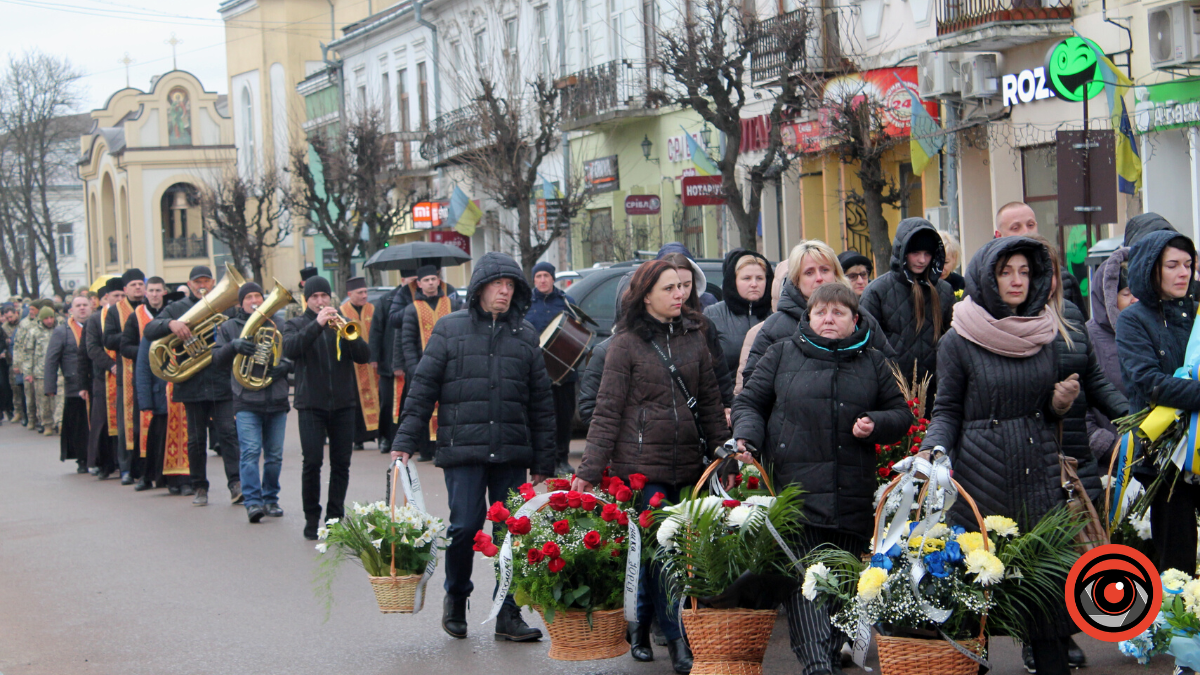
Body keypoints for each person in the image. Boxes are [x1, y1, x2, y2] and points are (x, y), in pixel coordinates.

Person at [921, 236, 1081, 674]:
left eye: (1025, 272)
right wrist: (932, 452)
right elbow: (947, 409)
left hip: (1038, 473)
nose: (1016, 281)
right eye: (1006, 271)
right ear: (987, 277)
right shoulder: (959, 339)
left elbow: (1041, 410)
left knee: (1046, 592)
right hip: (981, 478)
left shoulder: (1044, 333)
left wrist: (1057, 405)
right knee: (977, 589)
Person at [733, 282, 910, 675]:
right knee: (805, 584)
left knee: (840, 588)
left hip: (851, 496)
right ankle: (817, 665)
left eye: (839, 313)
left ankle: (826, 657)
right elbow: (750, 402)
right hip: (797, 495)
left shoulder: (873, 362)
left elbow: (901, 414)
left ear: (855, 320)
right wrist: (746, 437)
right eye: (821, 312)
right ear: (808, 318)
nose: (829, 319)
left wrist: (876, 423)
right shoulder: (781, 354)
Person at [572, 259, 729, 674]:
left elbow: (710, 402)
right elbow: (605, 412)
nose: (681, 294)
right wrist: (588, 473)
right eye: (670, 288)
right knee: (660, 555)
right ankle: (677, 640)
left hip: (689, 466)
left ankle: (648, 628)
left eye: (682, 286)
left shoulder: (696, 335)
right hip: (643, 468)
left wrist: (722, 453)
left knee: (684, 553)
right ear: (646, 296)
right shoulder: (624, 344)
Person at [391, 252, 553, 643]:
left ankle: (507, 613)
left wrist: (544, 460)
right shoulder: (449, 329)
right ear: (480, 287)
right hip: (463, 449)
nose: (504, 291)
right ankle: (456, 599)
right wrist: (405, 441)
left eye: (511, 285)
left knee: (509, 534)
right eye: (498, 284)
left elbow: (542, 404)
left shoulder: (525, 335)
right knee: (464, 526)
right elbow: (423, 389)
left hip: (511, 452)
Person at [1117, 229, 1200, 577]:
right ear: (1152, 269)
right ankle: (1176, 628)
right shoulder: (1133, 320)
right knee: (1177, 561)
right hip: (1164, 457)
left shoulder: (1197, 313)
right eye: (1172, 265)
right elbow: (1148, 382)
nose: (1184, 273)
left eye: (1188, 264)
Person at [142, 266, 241, 507]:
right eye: (197, 282)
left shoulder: (226, 308)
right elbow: (149, 330)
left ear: (214, 282)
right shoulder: (176, 308)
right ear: (189, 284)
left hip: (221, 382)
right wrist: (170, 325)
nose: (202, 285)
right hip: (191, 385)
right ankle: (199, 486)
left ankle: (236, 484)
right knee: (195, 440)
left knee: (228, 434)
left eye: (206, 281)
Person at [283, 275, 371, 539]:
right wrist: (317, 325)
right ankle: (312, 518)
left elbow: (364, 356)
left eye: (324, 296)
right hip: (310, 404)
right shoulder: (295, 324)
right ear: (306, 300)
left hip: (344, 404)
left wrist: (349, 334)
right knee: (312, 462)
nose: (320, 301)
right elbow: (291, 349)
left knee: (341, 464)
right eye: (315, 297)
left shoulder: (341, 324)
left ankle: (334, 518)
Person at [743, 240, 893, 386]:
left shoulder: (862, 319)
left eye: (825, 270)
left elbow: (891, 374)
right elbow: (753, 387)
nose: (819, 278)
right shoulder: (775, 328)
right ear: (797, 280)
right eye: (809, 273)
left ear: (836, 274)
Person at [214, 282, 293, 523]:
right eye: (248, 297)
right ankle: (253, 502)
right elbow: (216, 358)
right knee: (249, 452)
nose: (254, 300)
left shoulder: (279, 324)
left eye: (258, 295)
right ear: (240, 303)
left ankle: (271, 499)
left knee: (275, 455)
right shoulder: (228, 327)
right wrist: (233, 347)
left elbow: (294, 353)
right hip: (246, 400)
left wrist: (287, 366)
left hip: (276, 399)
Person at [859, 218, 955, 401]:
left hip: (938, 392)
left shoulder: (944, 291)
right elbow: (867, 346)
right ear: (901, 251)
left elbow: (951, 342)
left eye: (928, 253)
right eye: (915, 252)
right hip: (891, 393)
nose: (922, 260)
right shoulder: (877, 292)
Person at [398, 264, 462, 462]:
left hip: (451, 368)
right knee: (423, 408)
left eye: (434, 279)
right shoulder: (411, 309)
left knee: (448, 408)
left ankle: (445, 447)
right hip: (422, 368)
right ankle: (425, 450)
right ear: (419, 284)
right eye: (426, 280)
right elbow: (407, 342)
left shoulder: (452, 305)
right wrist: (414, 369)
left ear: (439, 280)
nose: (431, 283)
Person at [135, 282, 191, 495]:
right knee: (158, 440)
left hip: (185, 394)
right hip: (161, 397)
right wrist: (146, 400)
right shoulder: (153, 332)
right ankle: (156, 477)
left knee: (188, 441)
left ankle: (186, 480)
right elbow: (142, 367)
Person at [523, 261, 579, 476]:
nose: (543, 280)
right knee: (540, 417)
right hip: (537, 371)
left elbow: (578, 331)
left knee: (564, 418)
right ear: (534, 279)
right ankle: (544, 461)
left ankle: (562, 459)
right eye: (539, 276)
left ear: (553, 278)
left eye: (546, 275)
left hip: (565, 372)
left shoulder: (566, 301)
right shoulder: (525, 303)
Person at [123, 277, 176, 491]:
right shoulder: (135, 317)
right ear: (146, 293)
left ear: (164, 292)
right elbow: (125, 346)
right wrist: (150, 354)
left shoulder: (174, 314)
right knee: (144, 432)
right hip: (149, 380)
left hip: (169, 382)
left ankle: (170, 476)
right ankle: (146, 475)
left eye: (158, 290)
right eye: (151, 290)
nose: (154, 294)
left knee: (168, 433)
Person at [1085, 246, 1134, 464]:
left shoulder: (1150, 333)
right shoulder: (1088, 336)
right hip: (1110, 461)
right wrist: (1105, 444)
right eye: (1126, 294)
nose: (1135, 300)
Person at [995, 201, 1085, 313]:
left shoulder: (1063, 278)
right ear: (999, 235)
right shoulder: (986, 275)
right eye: (1015, 228)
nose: (1026, 232)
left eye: (1030, 225)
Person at [704, 249, 773, 390]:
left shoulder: (776, 314)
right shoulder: (713, 314)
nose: (754, 284)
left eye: (759, 278)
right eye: (746, 278)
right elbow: (706, 369)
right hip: (729, 402)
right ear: (733, 280)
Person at [105, 269, 145, 484]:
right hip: (126, 374)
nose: (138, 287)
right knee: (126, 423)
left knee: (148, 421)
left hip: (151, 374)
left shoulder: (150, 307)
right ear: (125, 289)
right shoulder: (115, 311)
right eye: (133, 284)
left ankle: (147, 467)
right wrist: (132, 334)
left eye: (141, 283)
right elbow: (108, 340)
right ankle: (126, 468)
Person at [45, 295, 91, 472]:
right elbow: (51, 360)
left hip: (95, 382)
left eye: (85, 305)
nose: (81, 308)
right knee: (78, 425)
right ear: (71, 309)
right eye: (78, 305)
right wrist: (50, 386)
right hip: (74, 385)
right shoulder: (62, 331)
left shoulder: (98, 326)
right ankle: (82, 458)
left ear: (91, 306)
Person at [340, 276, 381, 451]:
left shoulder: (373, 309)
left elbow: (378, 334)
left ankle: (378, 434)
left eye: (365, 292)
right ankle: (357, 438)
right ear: (350, 294)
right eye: (360, 292)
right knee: (356, 401)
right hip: (352, 367)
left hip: (372, 365)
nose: (364, 295)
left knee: (377, 397)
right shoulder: (341, 312)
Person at [82, 286, 117, 478]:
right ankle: (103, 463)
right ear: (106, 297)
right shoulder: (95, 319)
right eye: (115, 295)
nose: (119, 298)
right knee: (102, 423)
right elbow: (90, 349)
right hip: (102, 377)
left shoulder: (131, 315)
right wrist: (111, 365)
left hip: (127, 376)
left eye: (122, 295)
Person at [20, 305, 57, 435]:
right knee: (43, 400)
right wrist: (28, 372)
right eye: (46, 318)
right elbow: (28, 353)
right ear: (41, 319)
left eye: (51, 317)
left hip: (57, 372)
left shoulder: (59, 330)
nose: (49, 321)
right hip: (40, 372)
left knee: (58, 400)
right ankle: (47, 424)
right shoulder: (33, 332)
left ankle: (58, 423)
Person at [4, 303, 22, 424]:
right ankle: (18, 411)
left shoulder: (23, 324)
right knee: (14, 387)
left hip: (23, 359)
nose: (10, 320)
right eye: (7, 318)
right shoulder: (4, 327)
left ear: (16, 313)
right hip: (11, 361)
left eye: (11, 317)